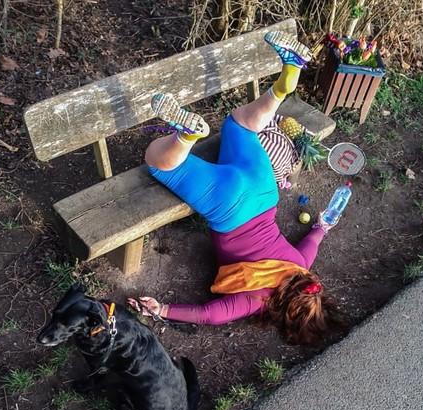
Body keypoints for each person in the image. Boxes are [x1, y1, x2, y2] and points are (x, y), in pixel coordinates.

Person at [128, 31, 346, 346]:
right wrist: (162, 309)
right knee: (157, 162)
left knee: (239, 124)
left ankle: (284, 84)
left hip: (265, 189)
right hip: (229, 206)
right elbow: (209, 315)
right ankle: (186, 136)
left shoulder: (301, 268)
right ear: (286, 317)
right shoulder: (254, 301)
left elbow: (313, 242)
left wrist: (323, 225)